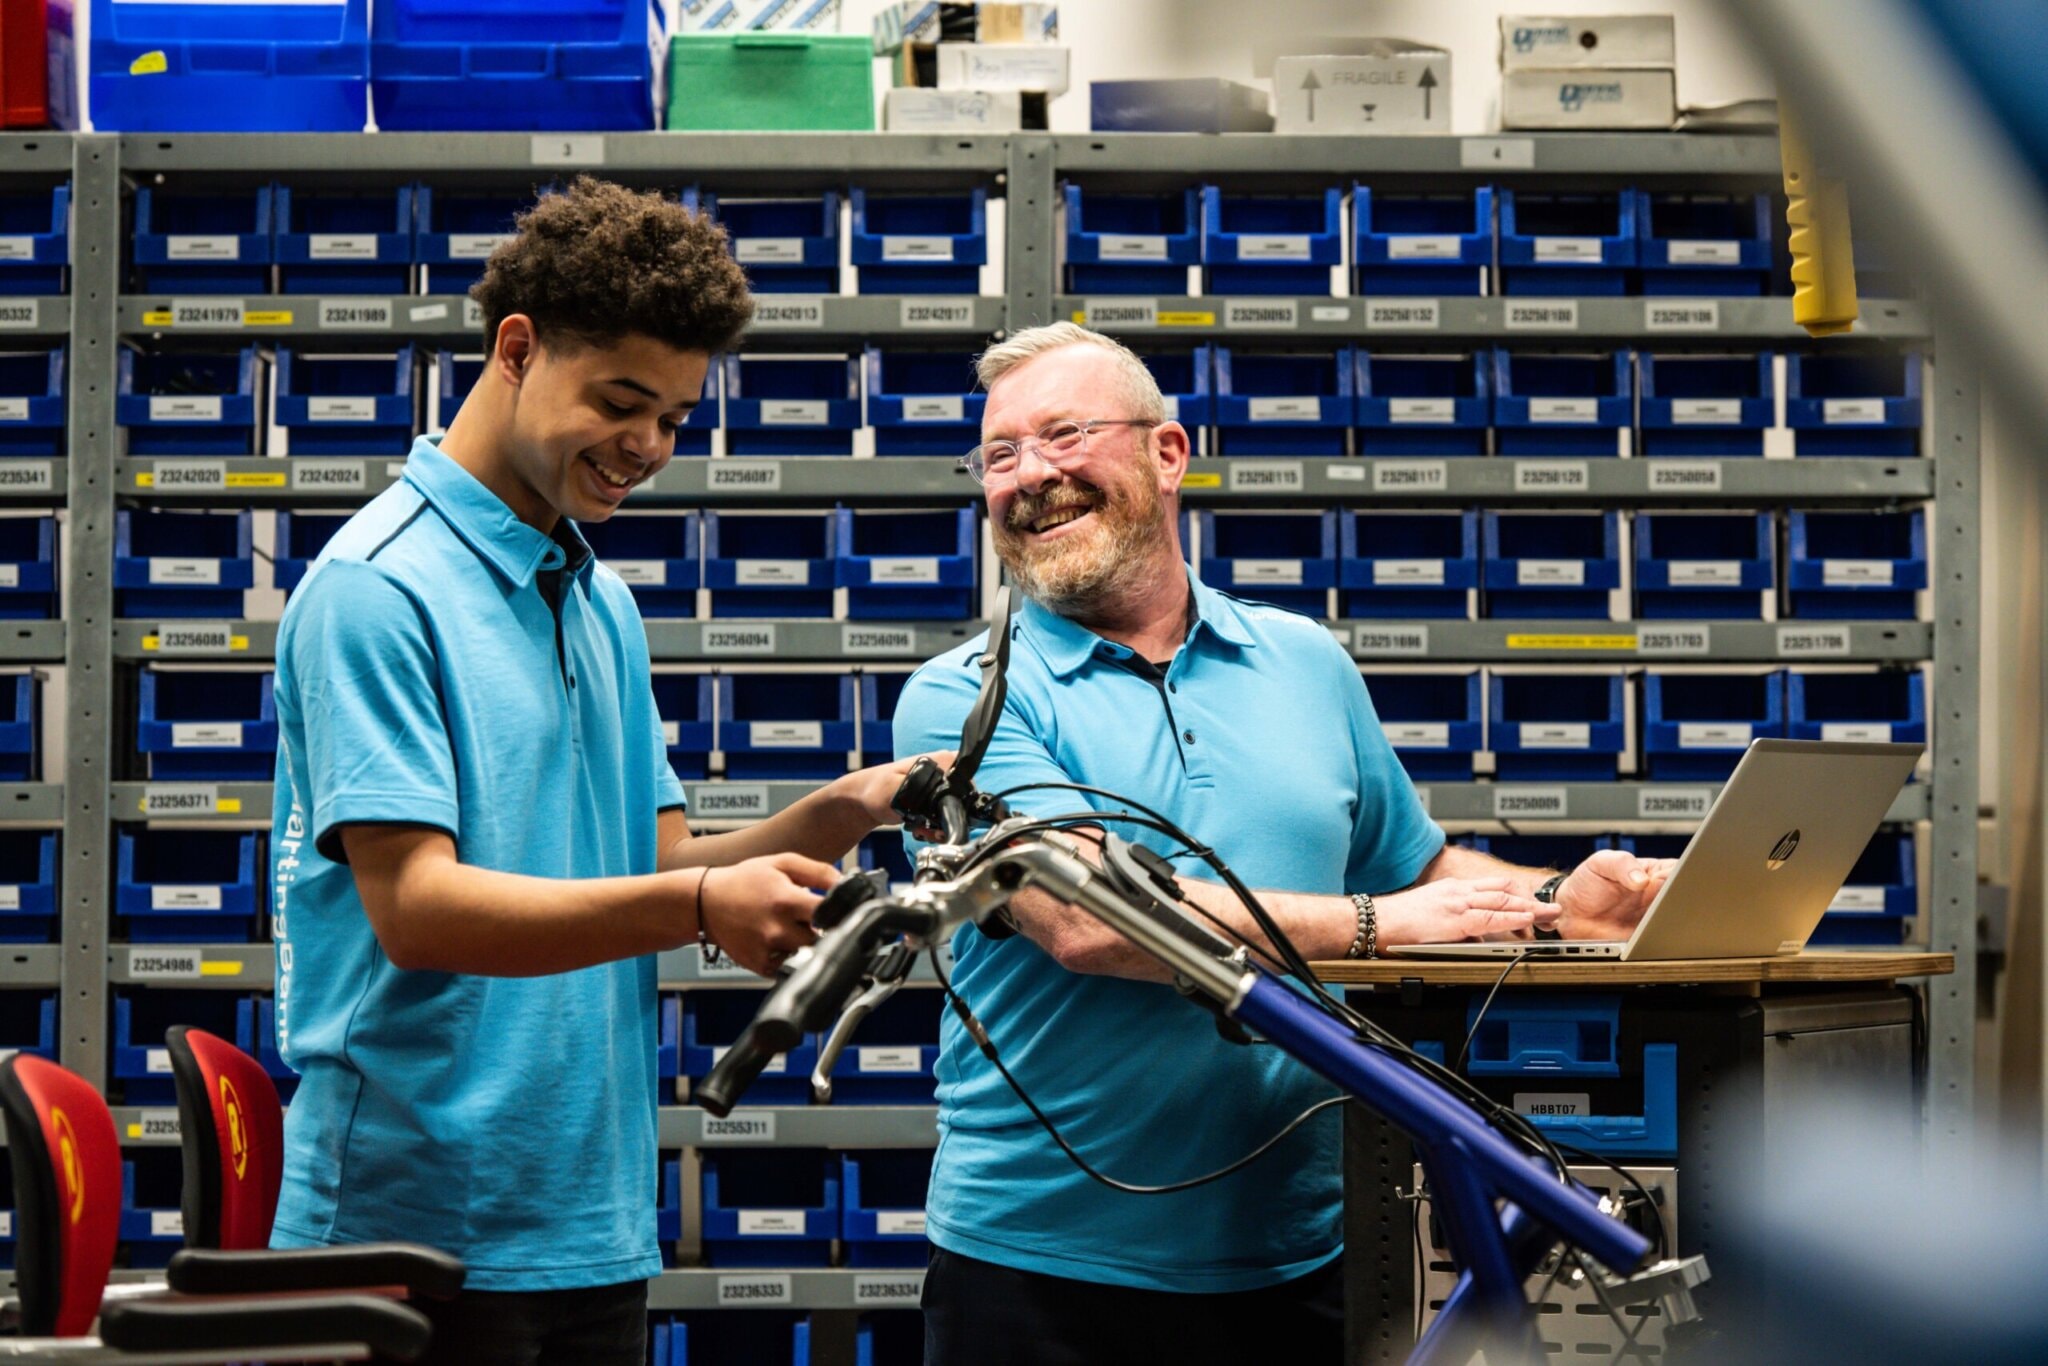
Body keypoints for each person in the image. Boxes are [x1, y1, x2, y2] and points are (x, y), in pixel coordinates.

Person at [893, 322, 1675, 1365]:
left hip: (1305, 1248)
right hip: (1044, 1270)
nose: (1031, 476)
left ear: (1167, 453)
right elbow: (1082, 915)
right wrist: (1372, 929)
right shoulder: (960, 702)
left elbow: (1417, 869)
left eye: (1064, 435)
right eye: (999, 456)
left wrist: (1557, 901)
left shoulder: (1301, 661)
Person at [268, 177, 943, 1365]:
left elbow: (658, 863)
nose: (648, 448)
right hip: (412, 1225)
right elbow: (417, 910)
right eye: (622, 401)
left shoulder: (596, 596)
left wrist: (840, 809)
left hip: (587, 1213)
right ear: (516, 350)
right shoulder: (376, 589)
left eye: (677, 418)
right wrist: (692, 905)